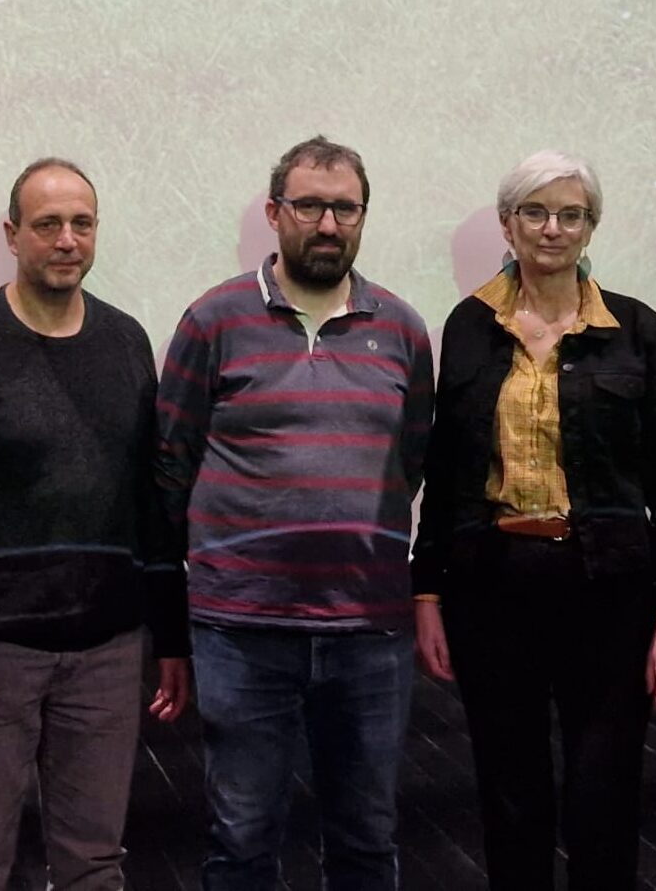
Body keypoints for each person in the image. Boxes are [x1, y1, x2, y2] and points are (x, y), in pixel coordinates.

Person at [156, 135, 432, 891]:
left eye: (345, 207)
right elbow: (171, 464)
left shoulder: (403, 330)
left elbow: (410, 459)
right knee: (242, 839)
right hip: (242, 630)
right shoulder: (213, 320)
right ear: (275, 213)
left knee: (368, 840)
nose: (328, 223)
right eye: (309, 205)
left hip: (368, 632)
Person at [412, 151, 656, 891]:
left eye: (571, 213)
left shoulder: (636, 328)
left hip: (609, 590)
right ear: (507, 224)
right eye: (535, 212)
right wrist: (427, 591)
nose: (552, 228)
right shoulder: (469, 324)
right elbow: (448, 472)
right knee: (510, 795)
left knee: (604, 794)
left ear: (591, 226)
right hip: (493, 589)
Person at [0, 157, 190, 891]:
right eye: (47, 224)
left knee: (95, 865)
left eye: (82, 223)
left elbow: (151, 503)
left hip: (107, 651)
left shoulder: (128, 343)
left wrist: (170, 635)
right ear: (12, 234)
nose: (67, 239)